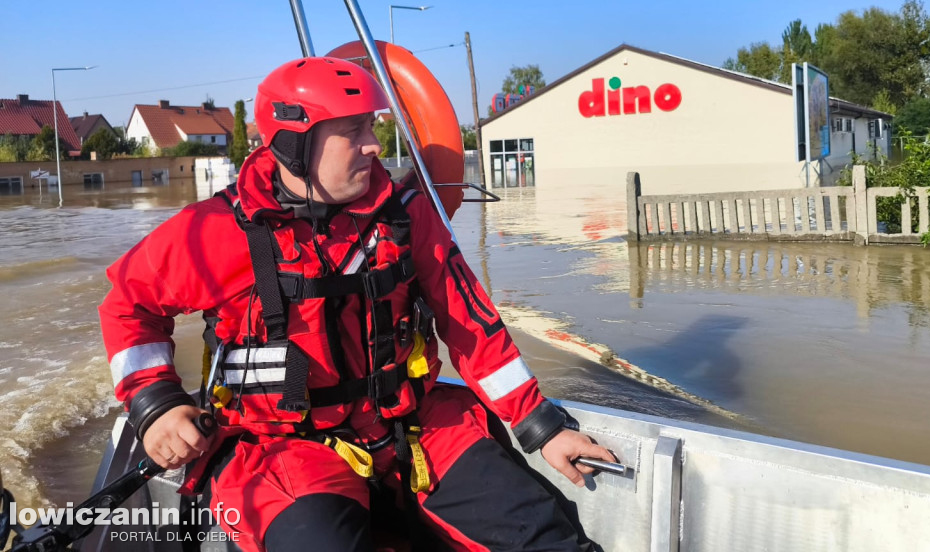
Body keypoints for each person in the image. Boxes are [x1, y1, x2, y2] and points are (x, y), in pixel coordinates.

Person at [100, 56, 613, 552]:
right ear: (292, 144)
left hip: (415, 428)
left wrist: (542, 428)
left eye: (372, 127)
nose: (374, 147)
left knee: (547, 536)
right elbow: (129, 303)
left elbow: (471, 324)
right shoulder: (215, 230)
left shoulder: (407, 216)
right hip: (285, 449)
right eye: (353, 132)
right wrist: (155, 404)